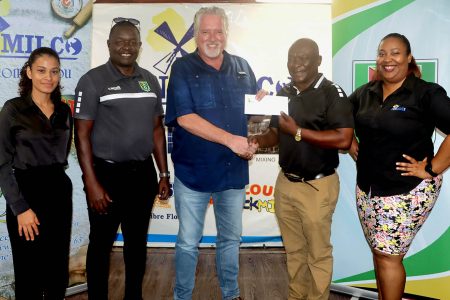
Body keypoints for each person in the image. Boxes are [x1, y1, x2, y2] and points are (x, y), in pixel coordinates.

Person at [165, 6, 261, 300]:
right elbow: (184, 118)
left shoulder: (243, 67)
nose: (212, 37)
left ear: (226, 34)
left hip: (232, 172)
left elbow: (253, 119)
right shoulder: (182, 68)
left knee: (231, 240)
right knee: (187, 243)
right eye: (205, 31)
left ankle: (231, 295)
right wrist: (231, 140)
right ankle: (182, 296)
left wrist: (256, 130)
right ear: (195, 34)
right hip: (193, 173)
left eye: (218, 31)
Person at [249, 38, 354, 300]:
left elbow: (344, 139)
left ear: (318, 61)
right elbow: (276, 133)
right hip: (286, 183)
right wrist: (259, 140)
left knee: (318, 254)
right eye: (292, 57)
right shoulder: (284, 93)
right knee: (294, 251)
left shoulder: (333, 93)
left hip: (317, 186)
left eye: (304, 57)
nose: (297, 63)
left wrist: (297, 131)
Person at [348, 33, 450, 300]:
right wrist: (350, 143)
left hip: (408, 190)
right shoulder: (365, 92)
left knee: (389, 257)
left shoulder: (426, 93)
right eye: (382, 53)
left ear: (408, 58)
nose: (387, 59)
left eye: (395, 53)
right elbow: (340, 120)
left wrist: (432, 168)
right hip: (369, 189)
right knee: (381, 254)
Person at [74, 18, 170, 300]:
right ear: (109, 45)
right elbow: (81, 136)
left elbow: (156, 130)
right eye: (120, 41)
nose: (126, 47)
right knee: (101, 245)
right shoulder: (92, 81)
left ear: (140, 46)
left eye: (132, 42)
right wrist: (91, 183)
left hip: (142, 175)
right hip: (105, 176)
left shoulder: (150, 81)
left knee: (137, 244)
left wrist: (163, 174)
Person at [0, 47, 73, 299]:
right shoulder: (13, 109)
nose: (48, 77)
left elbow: (62, 156)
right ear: (29, 72)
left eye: (54, 71)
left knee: (56, 274)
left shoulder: (64, 111)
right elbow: (1, 164)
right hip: (26, 194)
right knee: (29, 274)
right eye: (41, 71)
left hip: (59, 194)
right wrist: (20, 208)